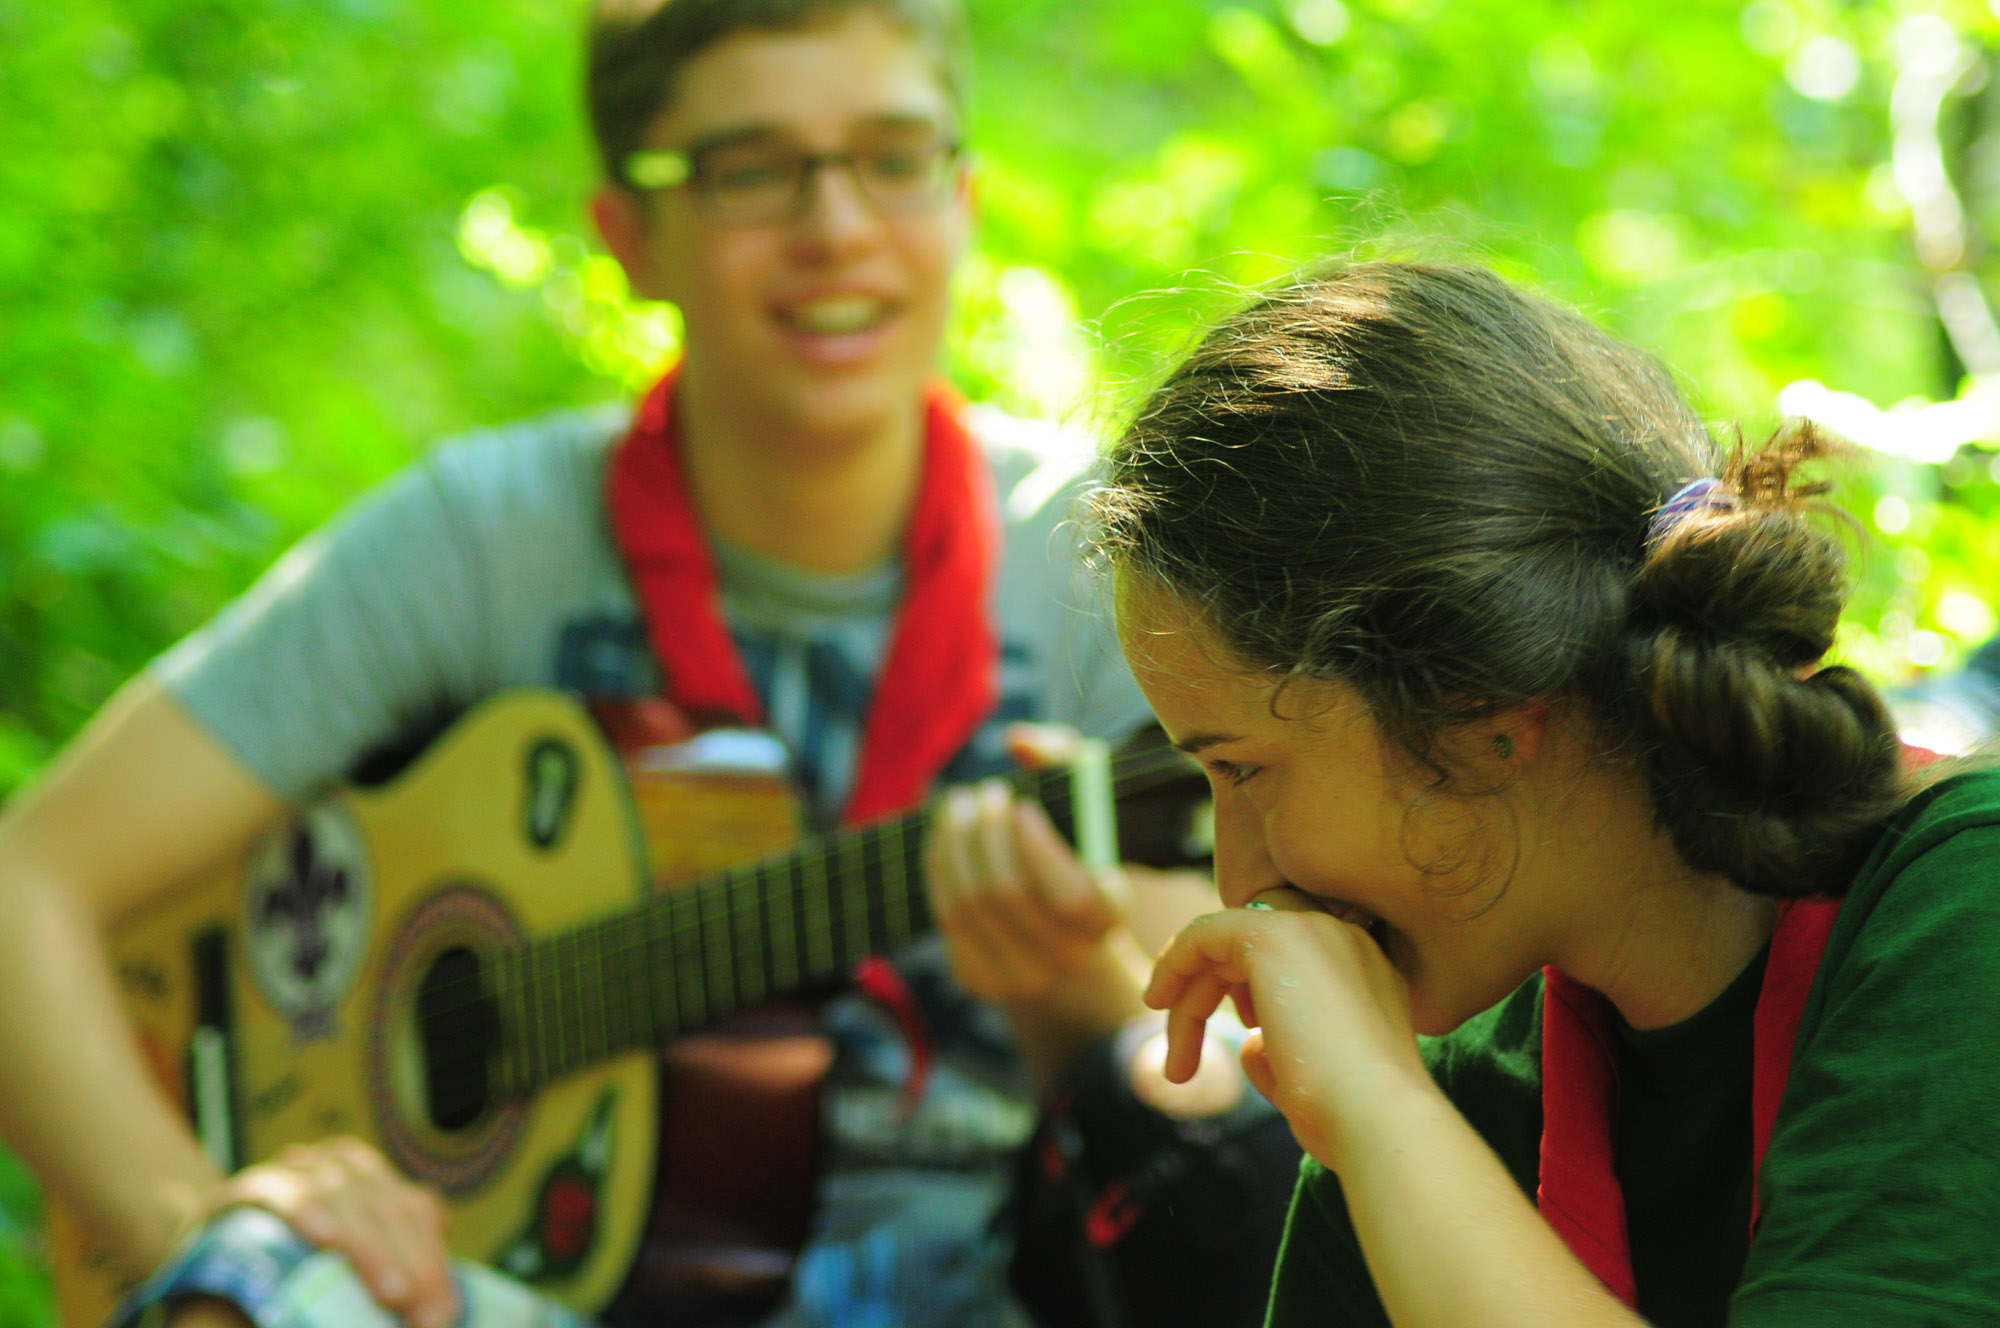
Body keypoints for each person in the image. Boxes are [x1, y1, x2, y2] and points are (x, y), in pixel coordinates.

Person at [0, 2, 1298, 1326]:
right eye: (751, 170)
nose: (836, 225)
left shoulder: (1113, 569)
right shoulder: (480, 539)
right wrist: (202, 1219)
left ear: (963, 198)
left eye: (894, 156)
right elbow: (24, 880)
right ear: (630, 235)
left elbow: (1219, 1137)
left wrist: (1077, 1005)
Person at [1090, 260, 2000, 1326]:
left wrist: (1382, 1118)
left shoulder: (1960, 911)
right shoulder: (1435, 1098)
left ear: (1487, 722)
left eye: (1242, 768)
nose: (1237, 877)